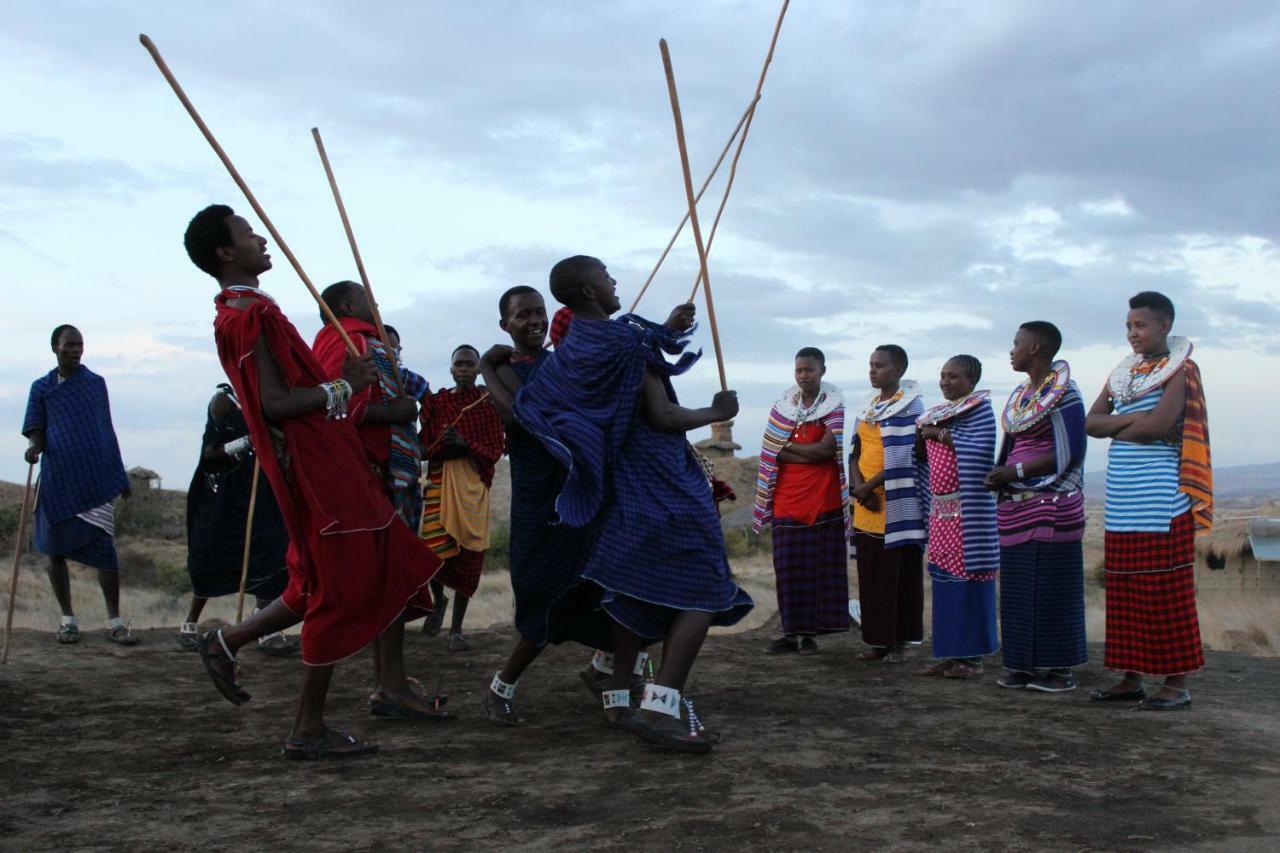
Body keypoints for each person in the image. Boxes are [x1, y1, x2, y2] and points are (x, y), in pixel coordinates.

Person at [183, 204, 446, 760]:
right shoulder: (245, 319)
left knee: (365, 570)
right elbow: (275, 404)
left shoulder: (250, 311)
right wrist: (345, 387)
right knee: (342, 588)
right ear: (227, 253)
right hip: (318, 471)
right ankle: (307, 727)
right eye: (249, 233)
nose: (261, 239)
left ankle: (228, 641)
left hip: (332, 462)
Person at [514, 255, 752, 753]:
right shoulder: (625, 341)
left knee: (631, 589)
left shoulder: (576, 345)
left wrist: (664, 328)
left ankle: (619, 697)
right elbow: (662, 415)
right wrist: (717, 412)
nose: (614, 280)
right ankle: (661, 707)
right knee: (706, 587)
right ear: (587, 292)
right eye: (605, 275)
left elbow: (620, 363)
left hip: (621, 485)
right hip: (663, 480)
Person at [479, 285, 639, 728]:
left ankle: (608, 674)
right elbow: (518, 415)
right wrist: (487, 368)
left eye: (540, 313)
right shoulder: (511, 369)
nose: (534, 321)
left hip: (584, 492)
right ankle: (501, 688)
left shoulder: (557, 364)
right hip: (541, 500)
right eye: (522, 315)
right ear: (504, 324)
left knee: (610, 587)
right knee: (545, 595)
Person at [1086, 291, 1212, 710]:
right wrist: (1133, 420)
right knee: (1124, 591)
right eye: (1128, 326)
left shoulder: (1182, 369)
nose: (1133, 333)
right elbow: (1090, 422)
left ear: (1164, 325)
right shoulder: (1124, 373)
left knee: (1165, 591)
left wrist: (1120, 425)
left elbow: (1157, 427)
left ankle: (1176, 684)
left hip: (1162, 502)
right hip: (1123, 500)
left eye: (1140, 325)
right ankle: (1130, 677)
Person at [984, 322, 1087, 693]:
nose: (1011, 350)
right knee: (1017, 588)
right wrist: (1001, 476)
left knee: (1052, 587)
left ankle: (1059, 669)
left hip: (1053, 503)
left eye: (1017, 343)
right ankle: (1022, 666)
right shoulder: (1021, 397)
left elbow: (1071, 451)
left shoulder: (1066, 394)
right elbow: (1010, 447)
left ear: (1036, 347)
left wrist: (1016, 471)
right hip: (1016, 506)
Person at [22, 324, 137, 646]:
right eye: (70, 344)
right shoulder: (41, 388)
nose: (76, 350)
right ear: (54, 348)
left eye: (80, 345)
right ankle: (68, 620)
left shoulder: (95, 384)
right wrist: (34, 448)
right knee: (54, 551)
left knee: (105, 552)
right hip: (58, 478)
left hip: (95, 480)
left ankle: (114, 621)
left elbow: (105, 431)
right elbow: (36, 428)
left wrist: (118, 474)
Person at [180, 383, 293, 654]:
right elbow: (210, 453)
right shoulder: (225, 400)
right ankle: (190, 623)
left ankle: (265, 629)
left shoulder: (273, 395)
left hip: (262, 490)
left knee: (270, 552)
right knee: (209, 554)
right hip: (225, 494)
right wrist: (247, 442)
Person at [752, 346, 850, 655]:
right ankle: (789, 632)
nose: (804, 375)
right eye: (799, 371)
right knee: (788, 569)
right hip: (787, 499)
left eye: (809, 369)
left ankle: (811, 635)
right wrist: (796, 452)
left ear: (823, 370)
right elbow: (771, 449)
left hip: (823, 497)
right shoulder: (782, 407)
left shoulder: (834, 406)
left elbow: (826, 451)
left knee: (819, 568)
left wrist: (790, 451)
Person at [313, 282, 423, 530]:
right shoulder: (348, 340)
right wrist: (391, 413)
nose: (376, 305)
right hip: (366, 468)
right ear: (348, 307)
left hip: (373, 468)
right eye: (368, 300)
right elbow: (329, 408)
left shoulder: (363, 340)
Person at [915, 356, 999, 679]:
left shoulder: (980, 412)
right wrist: (927, 433)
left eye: (954, 377)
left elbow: (980, 452)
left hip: (969, 512)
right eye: (942, 376)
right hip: (942, 511)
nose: (945, 382)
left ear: (972, 380)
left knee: (969, 582)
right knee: (945, 583)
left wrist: (938, 435)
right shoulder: (940, 414)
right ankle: (951, 654)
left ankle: (973, 659)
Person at [418, 345, 505, 650]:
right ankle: (438, 599)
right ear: (451, 369)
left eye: (471, 364)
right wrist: (444, 441)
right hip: (441, 484)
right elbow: (424, 445)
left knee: (469, 555)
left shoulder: (487, 404)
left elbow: (496, 449)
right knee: (433, 554)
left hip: (472, 486)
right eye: (460, 364)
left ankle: (456, 630)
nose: (465, 369)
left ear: (479, 370)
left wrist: (466, 444)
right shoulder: (439, 402)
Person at [849, 345, 925, 663]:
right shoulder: (868, 406)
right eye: (871, 365)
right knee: (871, 575)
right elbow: (854, 450)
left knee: (899, 577)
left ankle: (901, 642)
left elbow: (904, 456)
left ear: (897, 371)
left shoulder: (910, 406)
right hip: (866, 504)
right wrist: (857, 487)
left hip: (895, 504)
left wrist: (868, 487)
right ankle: (877, 640)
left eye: (879, 366)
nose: (872, 370)